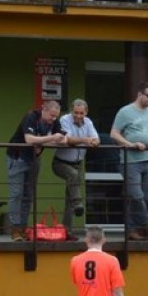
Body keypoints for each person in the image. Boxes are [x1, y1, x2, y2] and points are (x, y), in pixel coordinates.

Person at [6, 100, 66, 241]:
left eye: (56, 116)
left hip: (34, 158)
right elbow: (29, 139)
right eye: (51, 115)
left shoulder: (54, 121)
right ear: (43, 109)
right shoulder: (31, 117)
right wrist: (50, 138)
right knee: (16, 194)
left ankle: (23, 227)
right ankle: (14, 228)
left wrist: (42, 141)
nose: (53, 119)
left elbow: (63, 140)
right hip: (17, 157)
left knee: (28, 195)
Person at [111, 82, 148, 241]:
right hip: (131, 160)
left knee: (143, 197)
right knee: (135, 195)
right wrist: (131, 145)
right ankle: (146, 220)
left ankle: (134, 230)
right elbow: (114, 134)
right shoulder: (125, 112)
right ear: (139, 94)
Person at [52, 99, 100, 240]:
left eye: (81, 113)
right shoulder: (64, 120)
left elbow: (96, 139)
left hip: (78, 164)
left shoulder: (88, 122)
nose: (78, 116)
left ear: (86, 112)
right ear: (71, 111)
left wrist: (94, 141)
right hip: (60, 163)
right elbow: (68, 140)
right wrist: (86, 140)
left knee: (69, 199)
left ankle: (67, 231)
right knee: (73, 178)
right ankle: (78, 202)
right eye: (76, 112)